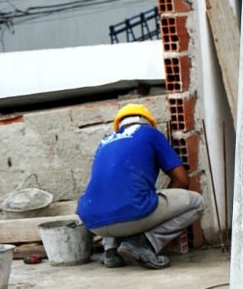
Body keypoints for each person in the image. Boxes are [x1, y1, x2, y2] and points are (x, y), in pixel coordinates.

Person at [77, 103, 205, 269]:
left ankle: (110, 250)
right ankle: (143, 243)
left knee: (112, 198)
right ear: (148, 122)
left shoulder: (105, 142)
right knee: (197, 203)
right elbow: (181, 179)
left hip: (92, 221)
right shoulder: (150, 134)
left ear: (119, 125)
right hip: (131, 214)